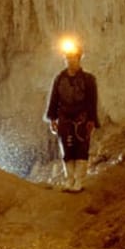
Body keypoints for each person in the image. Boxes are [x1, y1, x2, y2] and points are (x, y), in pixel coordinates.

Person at [44, 37, 99, 191]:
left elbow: (92, 101)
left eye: (74, 58)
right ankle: (70, 179)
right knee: (67, 149)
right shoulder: (59, 79)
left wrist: (92, 120)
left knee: (81, 148)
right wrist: (52, 119)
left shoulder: (88, 79)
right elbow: (54, 99)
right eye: (68, 58)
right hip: (65, 118)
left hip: (82, 117)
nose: (71, 61)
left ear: (79, 58)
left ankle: (79, 181)